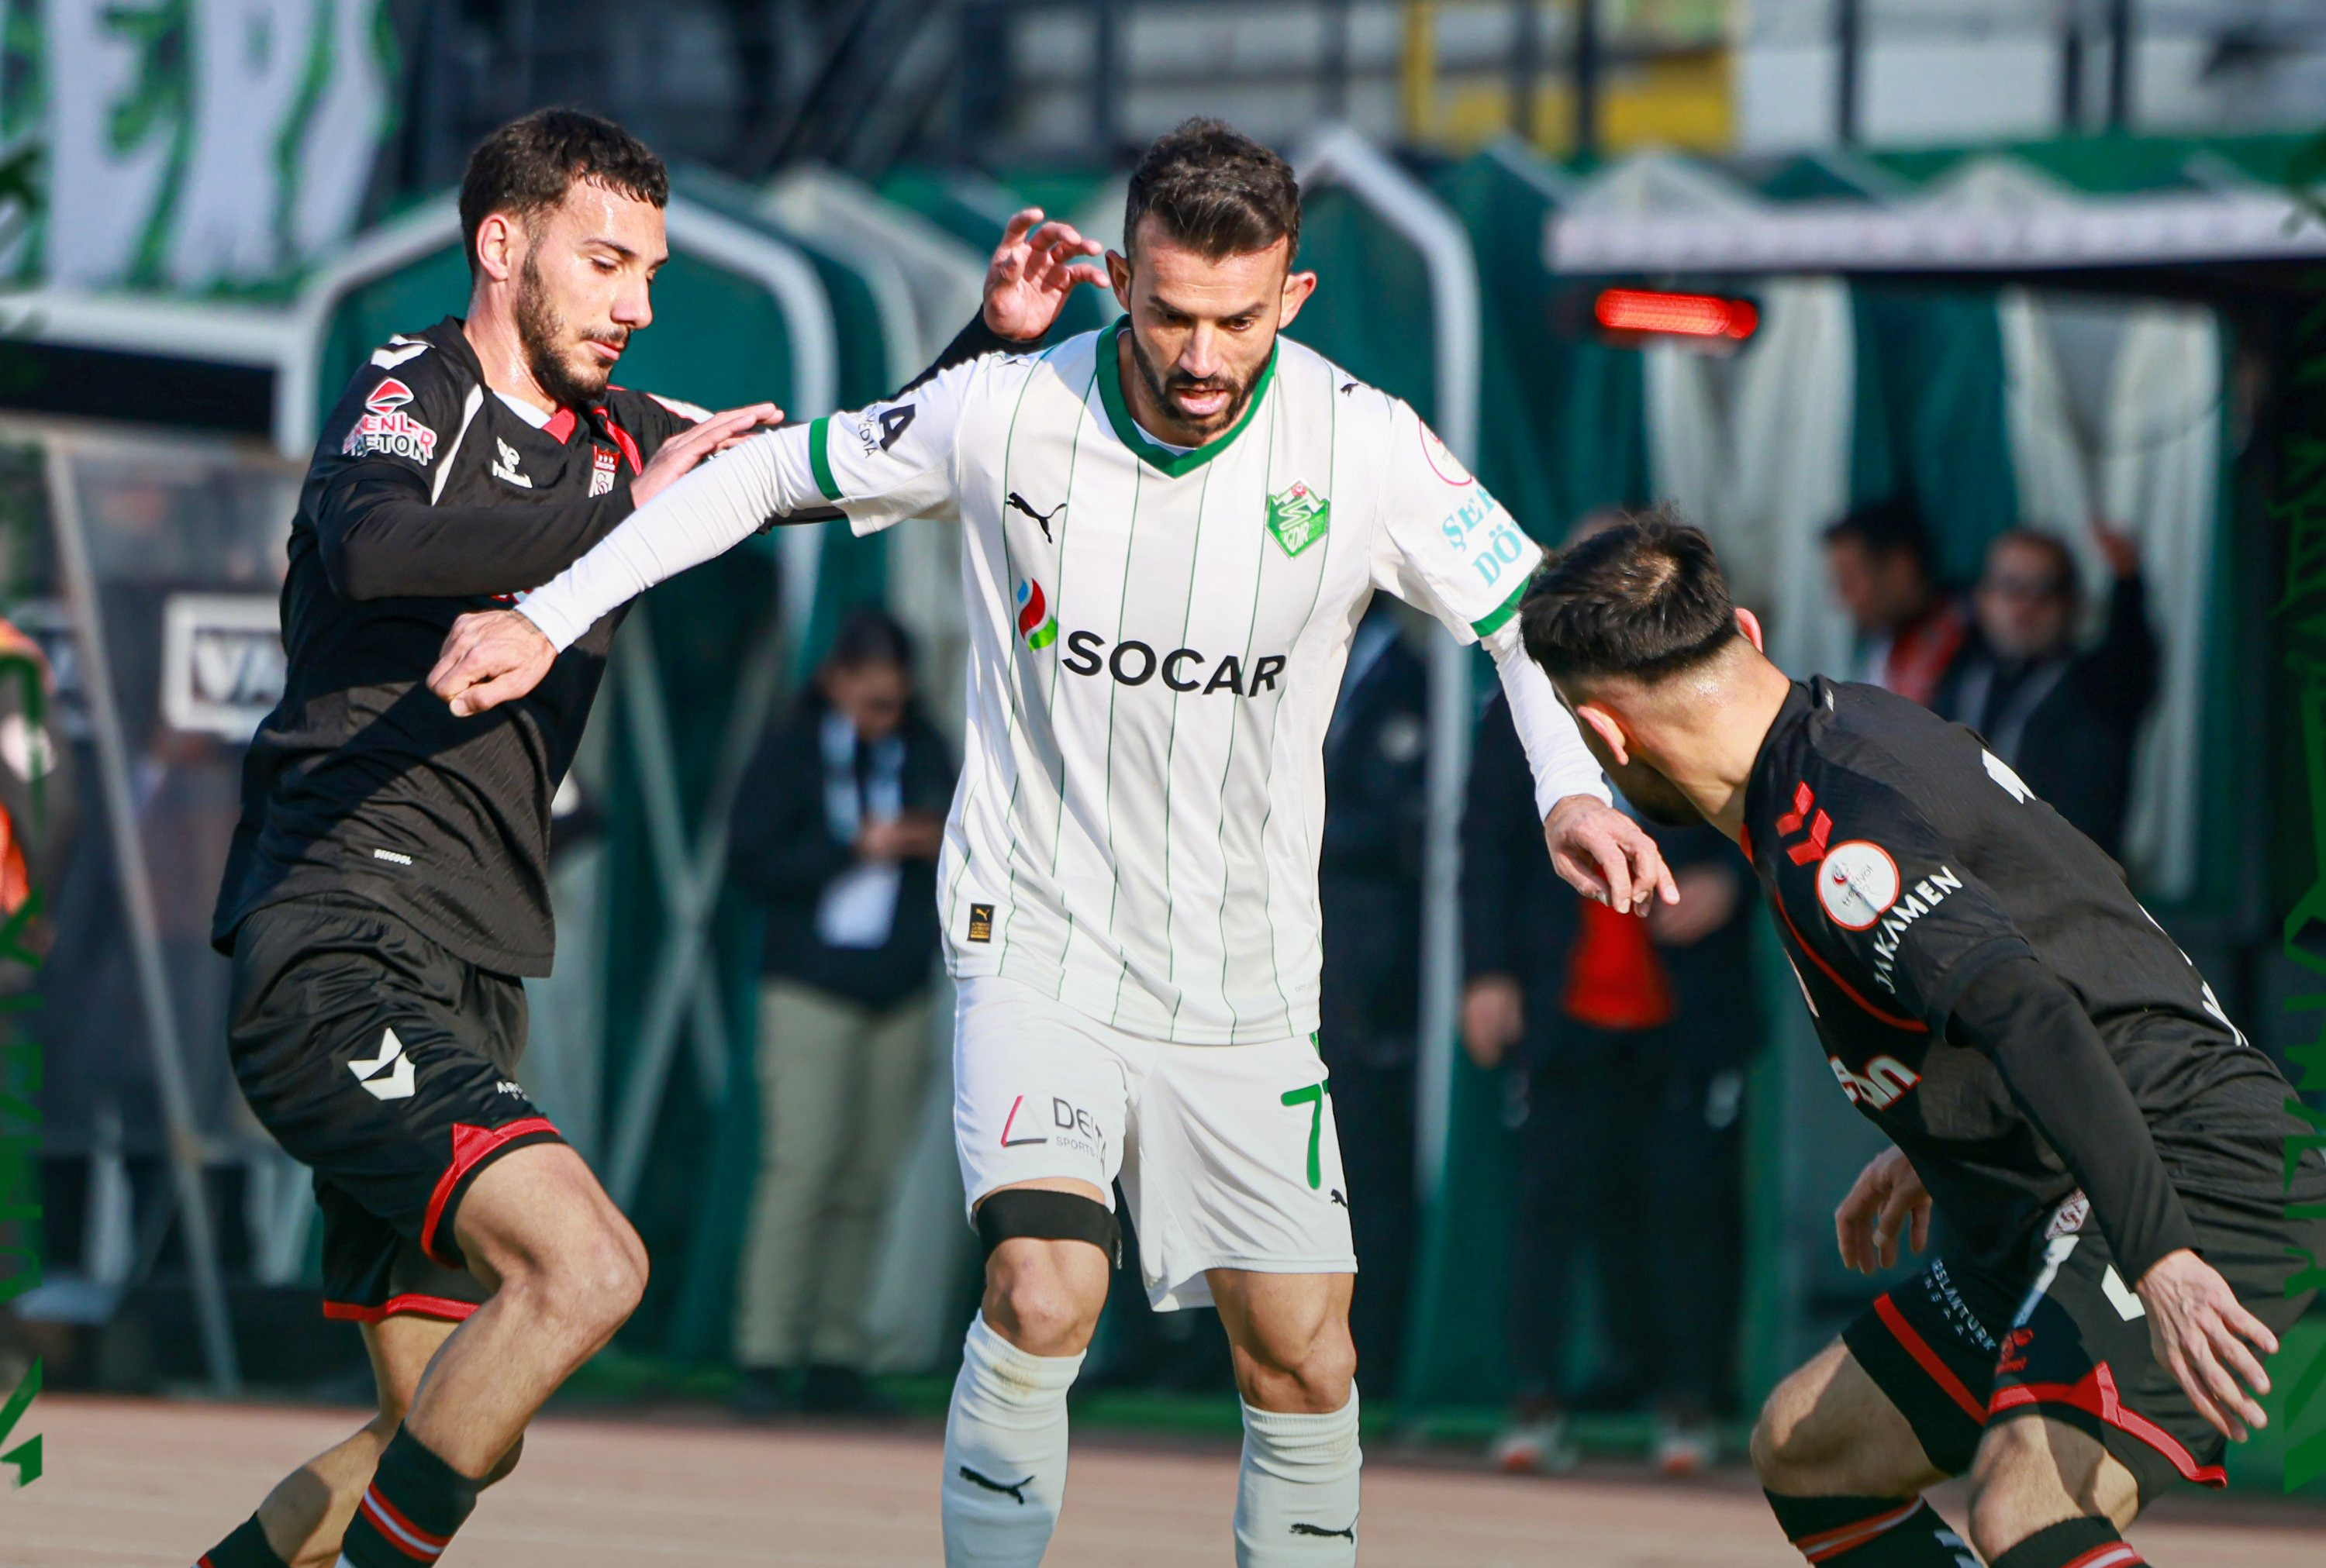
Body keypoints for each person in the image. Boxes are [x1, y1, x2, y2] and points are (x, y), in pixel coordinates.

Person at [426, 117, 1670, 1568]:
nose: (1202, 357)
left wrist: (1570, 791)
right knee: (1038, 1286)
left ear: (1296, 299)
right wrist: (549, 611)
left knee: (1305, 1355)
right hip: (1039, 941)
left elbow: (1527, 610)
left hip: (1247, 978)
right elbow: (765, 477)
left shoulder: (1364, 443)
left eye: (1237, 321)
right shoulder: (1007, 411)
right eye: (1168, 313)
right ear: (1122, 281)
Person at [1520, 515, 2326, 1568]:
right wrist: (1941, 1121)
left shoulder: (1833, 834)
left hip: (2180, 1167)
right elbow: (2063, 921)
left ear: (1609, 737)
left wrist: (2161, 1247)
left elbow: (2032, 1008)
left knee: (2025, 1509)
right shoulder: (1846, 729)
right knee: (1814, 1449)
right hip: (2051, 1177)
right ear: (1749, 632)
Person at [1462, 691, 1755, 1477]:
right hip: (1562, 1004)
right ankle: (1535, 1400)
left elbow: (1764, 809)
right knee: (1548, 1207)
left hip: (1686, 1007)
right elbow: (1487, 837)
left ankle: (1688, 1401)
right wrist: (1486, 970)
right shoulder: (1521, 698)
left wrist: (1731, 879)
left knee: (1685, 1207)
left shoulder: (1700, 685)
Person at [726, 608, 953, 1417]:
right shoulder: (791, 750)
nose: (882, 717)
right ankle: (765, 1348)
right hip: (810, 985)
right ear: (836, 684)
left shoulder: (927, 749)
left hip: (899, 988)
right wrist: (858, 846)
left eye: (894, 702)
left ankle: (836, 1348)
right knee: (801, 1167)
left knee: (868, 1175)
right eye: (870, 702)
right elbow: (752, 860)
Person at [1316, 599, 1428, 1390]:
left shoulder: (1406, 686)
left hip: (1367, 965)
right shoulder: (1312, 676)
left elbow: (1399, 827)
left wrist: (1272, 822)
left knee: (1363, 1160)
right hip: (1294, 953)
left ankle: (1372, 1349)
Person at [1938, 525, 2156, 860]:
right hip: (1967, 886)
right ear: (1982, 598)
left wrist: (2127, 584)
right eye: (2010, 588)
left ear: (2072, 603)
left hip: (2068, 893)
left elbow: (2132, 659)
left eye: (2044, 590)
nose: (2025, 607)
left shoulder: (2098, 688)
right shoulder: (1963, 679)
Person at [1823, 498, 1966, 708]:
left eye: (1849, 582)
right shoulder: (1884, 646)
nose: (1841, 600)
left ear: (1901, 569)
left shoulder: (1975, 645)